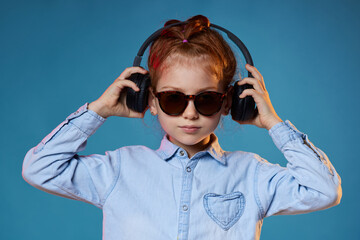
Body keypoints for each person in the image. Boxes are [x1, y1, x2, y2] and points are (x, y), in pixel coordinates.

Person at [22, 15, 342, 240]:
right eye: (174, 99)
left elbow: (325, 190)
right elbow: (39, 168)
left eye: (206, 100)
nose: (189, 113)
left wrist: (274, 123)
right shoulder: (119, 170)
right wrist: (99, 109)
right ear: (150, 100)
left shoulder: (253, 175)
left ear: (229, 102)